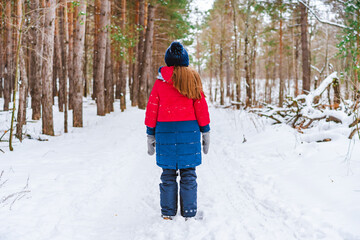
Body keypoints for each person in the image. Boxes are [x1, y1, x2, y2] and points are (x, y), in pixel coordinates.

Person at [145, 41, 210, 220]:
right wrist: (206, 131)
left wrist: (150, 133)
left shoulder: (160, 83)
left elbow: (152, 109)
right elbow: (201, 107)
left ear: (168, 61)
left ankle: (168, 213)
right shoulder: (194, 79)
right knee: (189, 173)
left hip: (165, 132)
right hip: (190, 132)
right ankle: (189, 212)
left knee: (168, 174)